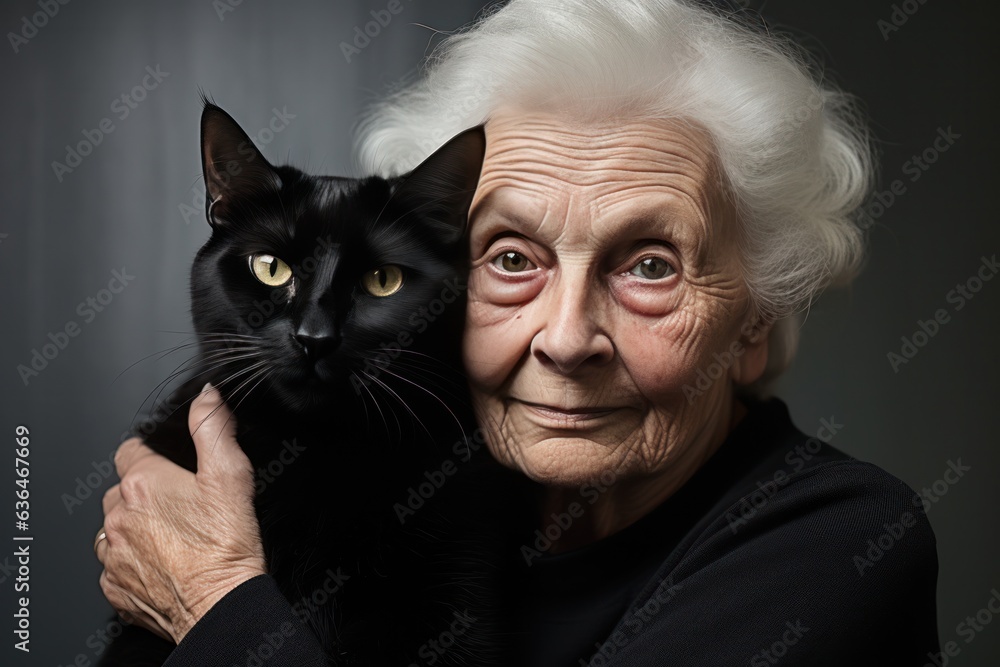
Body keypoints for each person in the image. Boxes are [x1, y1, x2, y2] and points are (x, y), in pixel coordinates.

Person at [95, 0, 940, 664]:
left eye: (650, 265)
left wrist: (216, 600)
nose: (566, 339)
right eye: (511, 258)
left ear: (756, 318)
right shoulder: (431, 481)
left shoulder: (838, 542)